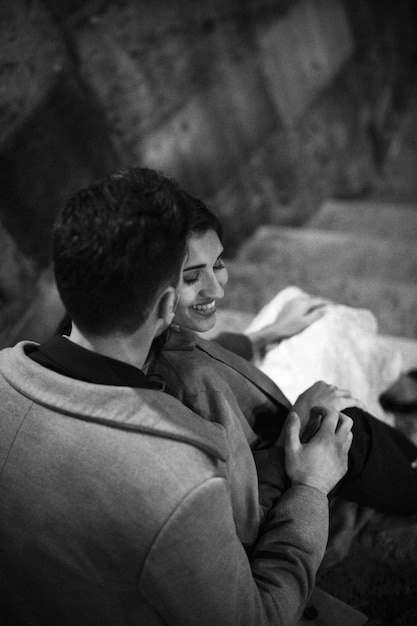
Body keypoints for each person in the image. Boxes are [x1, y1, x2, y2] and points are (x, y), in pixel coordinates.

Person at [0, 167, 353, 626]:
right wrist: (310, 488)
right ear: (169, 306)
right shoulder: (178, 479)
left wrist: (258, 337)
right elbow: (255, 618)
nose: (215, 285)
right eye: (191, 277)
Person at [147, 192, 417, 529]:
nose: (216, 290)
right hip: (284, 455)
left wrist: (268, 334)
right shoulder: (186, 388)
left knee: (294, 303)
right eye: (191, 277)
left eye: (218, 264)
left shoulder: (158, 334)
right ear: (151, 286)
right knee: (339, 383)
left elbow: (202, 345)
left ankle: (396, 393)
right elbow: (244, 513)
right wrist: (299, 417)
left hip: (261, 397)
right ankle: (401, 409)